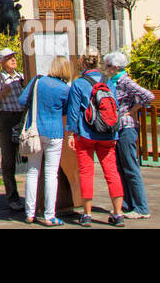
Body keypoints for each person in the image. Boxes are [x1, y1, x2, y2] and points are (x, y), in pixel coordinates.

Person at [65, 52, 125, 226]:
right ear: (98, 62)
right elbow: (115, 107)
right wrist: (115, 131)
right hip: (108, 134)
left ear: (82, 64)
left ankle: (87, 214)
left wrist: (70, 133)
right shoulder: (107, 82)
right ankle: (118, 213)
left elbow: (74, 111)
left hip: (86, 133)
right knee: (112, 172)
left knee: (86, 173)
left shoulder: (79, 83)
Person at [17, 56, 73, 225]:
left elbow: (21, 101)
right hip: (54, 132)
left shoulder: (37, 81)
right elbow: (66, 110)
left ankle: (29, 213)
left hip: (34, 132)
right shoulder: (65, 89)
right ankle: (49, 215)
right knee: (51, 174)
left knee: (33, 171)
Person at [103, 51, 154, 219]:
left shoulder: (125, 81)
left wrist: (133, 110)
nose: (106, 68)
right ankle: (126, 205)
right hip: (117, 128)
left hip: (127, 127)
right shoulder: (113, 81)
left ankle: (141, 207)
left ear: (116, 67)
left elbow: (148, 96)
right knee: (121, 167)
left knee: (131, 167)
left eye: (108, 66)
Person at [0, 46, 26, 211]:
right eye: (9, 58)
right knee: (8, 161)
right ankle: (12, 197)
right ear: (2, 62)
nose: (14, 60)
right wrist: (2, 94)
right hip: (7, 119)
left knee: (32, 157)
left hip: (22, 118)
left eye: (14, 57)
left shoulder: (21, 77)